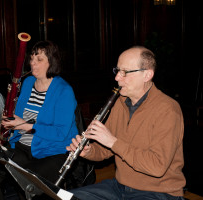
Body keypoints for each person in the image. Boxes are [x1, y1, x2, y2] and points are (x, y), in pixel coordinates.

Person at [67, 46, 186, 200]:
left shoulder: (168, 110)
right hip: (120, 186)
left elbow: (157, 167)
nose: (117, 78)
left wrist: (113, 142)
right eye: (117, 71)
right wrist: (88, 151)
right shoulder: (120, 103)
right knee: (68, 197)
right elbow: (105, 150)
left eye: (125, 72)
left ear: (147, 75)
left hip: (160, 192)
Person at [0, 40, 79, 199]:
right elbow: (16, 115)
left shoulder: (64, 91)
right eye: (31, 58)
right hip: (21, 146)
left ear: (52, 62)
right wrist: (3, 128)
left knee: (27, 182)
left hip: (51, 151)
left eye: (39, 59)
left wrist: (25, 126)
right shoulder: (28, 82)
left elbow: (60, 133)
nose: (32, 63)